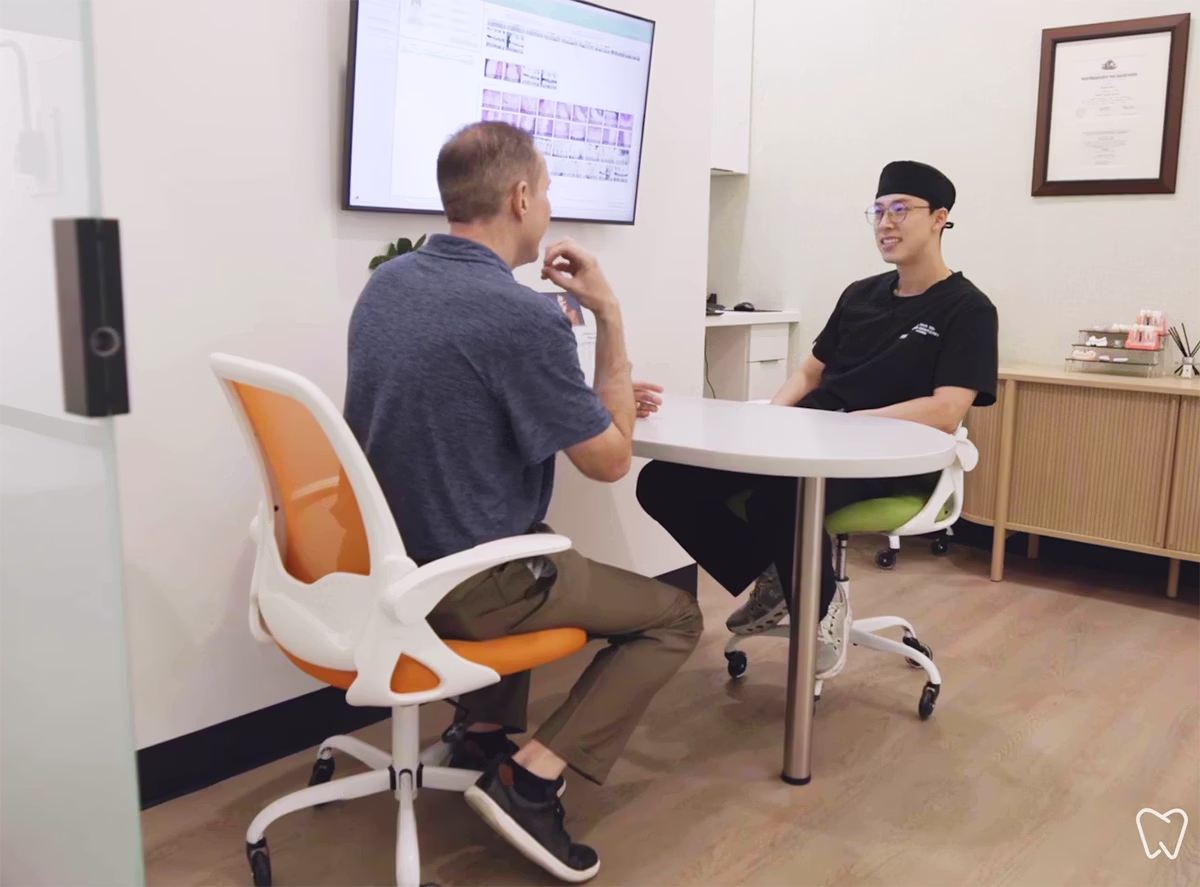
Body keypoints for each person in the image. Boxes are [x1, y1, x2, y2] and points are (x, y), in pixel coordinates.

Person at [343, 121, 698, 883]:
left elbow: (454, 401)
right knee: (674, 616)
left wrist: (573, 396)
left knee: (524, 532)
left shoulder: (389, 285)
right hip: (469, 582)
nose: (548, 206)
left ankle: (479, 733)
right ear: (520, 196)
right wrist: (608, 314)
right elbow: (607, 460)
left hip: (381, 567)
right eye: (547, 190)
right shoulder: (521, 316)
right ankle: (530, 779)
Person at [637, 160, 998, 682]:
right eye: (877, 211)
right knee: (664, 481)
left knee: (782, 495)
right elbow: (810, 372)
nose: (885, 223)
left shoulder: (967, 309)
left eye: (901, 210)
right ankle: (781, 578)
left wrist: (850, 425)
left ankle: (820, 603)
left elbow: (945, 411)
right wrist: (771, 421)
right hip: (811, 440)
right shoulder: (860, 295)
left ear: (940, 218)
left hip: (889, 456)